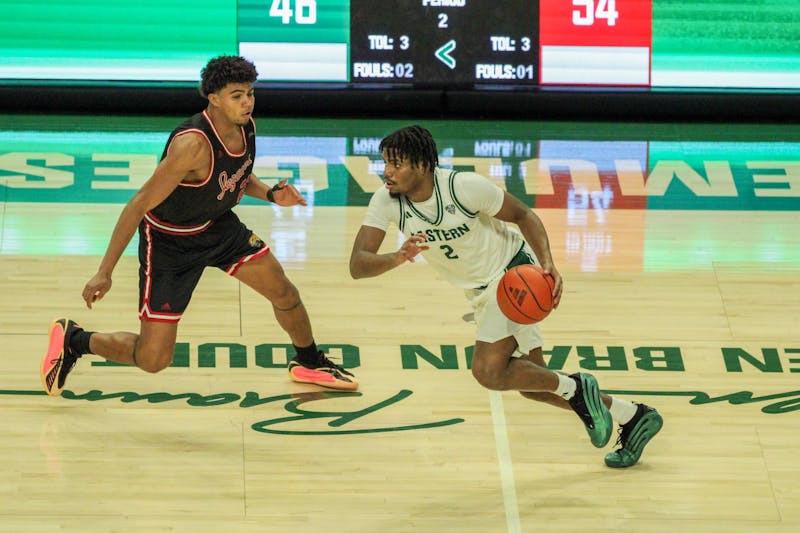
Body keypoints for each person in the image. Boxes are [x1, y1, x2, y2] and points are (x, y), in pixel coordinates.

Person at [348, 125, 662, 468]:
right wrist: (397, 256)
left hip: (513, 277)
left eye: (396, 164)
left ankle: (578, 387)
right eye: (385, 163)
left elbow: (523, 214)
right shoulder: (386, 200)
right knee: (534, 383)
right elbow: (358, 265)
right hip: (479, 291)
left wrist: (548, 264)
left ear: (422, 165)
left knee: (488, 372)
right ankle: (632, 415)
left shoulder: (462, 187)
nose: (386, 172)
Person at [41, 55, 356, 395]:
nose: (247, 101)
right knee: (153, 358)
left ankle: (309, 361)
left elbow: (235, 176)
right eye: (237, 95)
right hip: (170, 244)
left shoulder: (246, 125)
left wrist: (271, 194)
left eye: (250, 92)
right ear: (214, 99)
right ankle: (75, 340)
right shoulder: (191, 146)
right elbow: (136, 207)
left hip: (217, 227)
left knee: (284, 291)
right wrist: (104, 271)